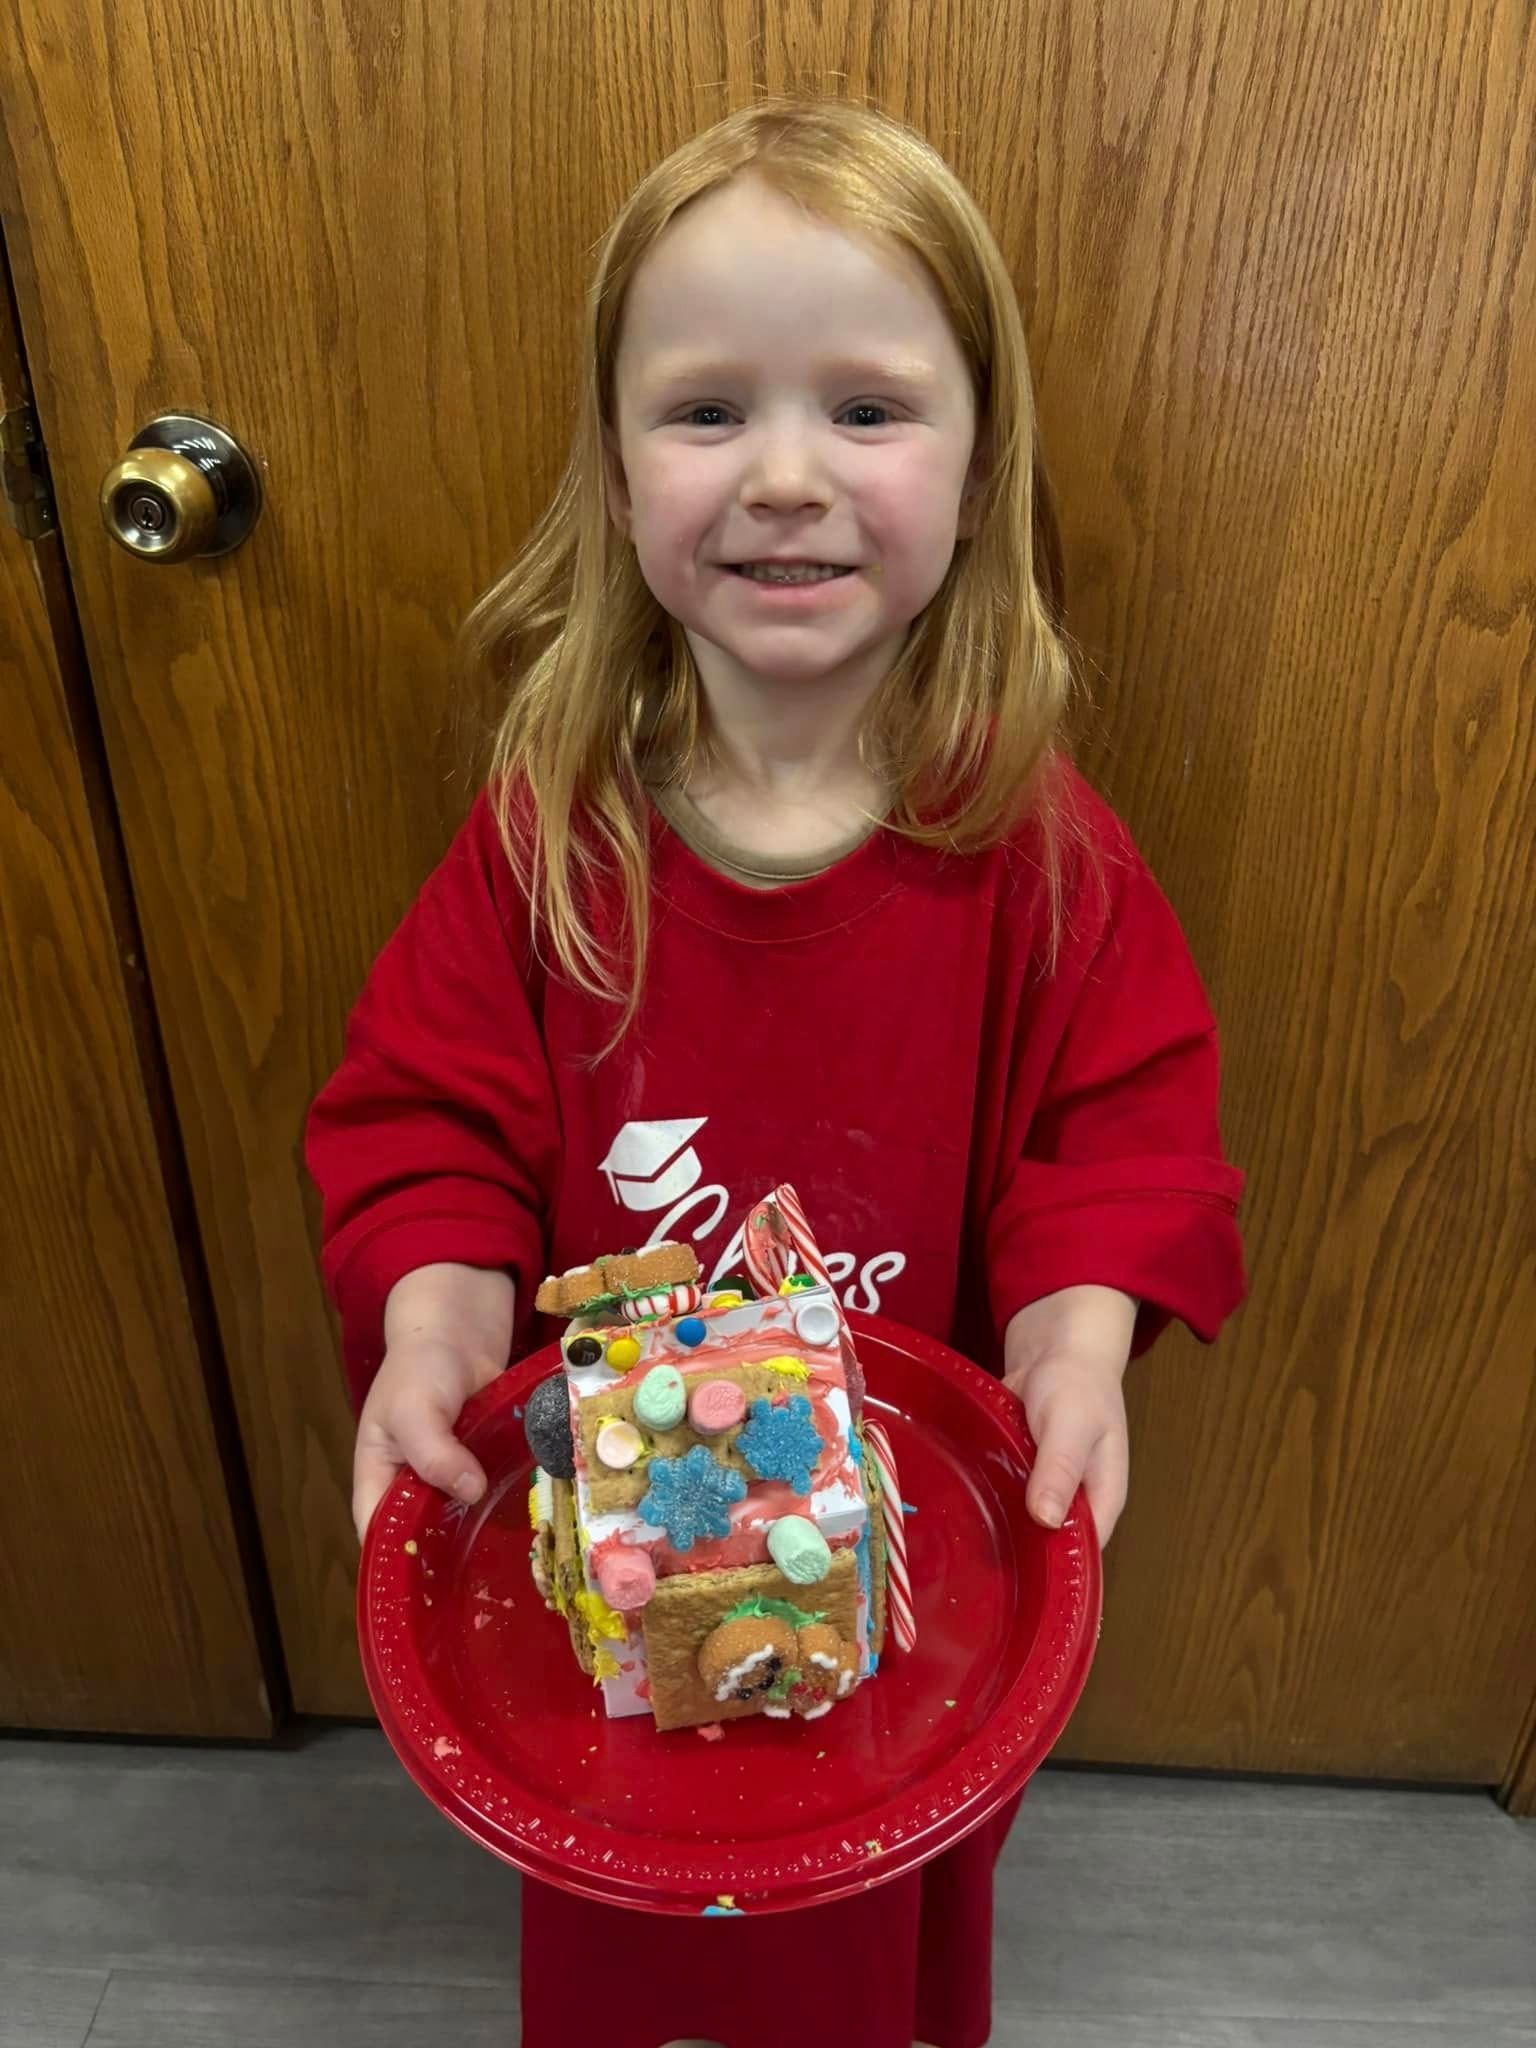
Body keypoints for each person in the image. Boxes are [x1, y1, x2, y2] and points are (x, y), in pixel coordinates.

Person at [306, 93, 1246, 2048]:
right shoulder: (548, 840)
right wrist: (431, 1326)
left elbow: (1123, 1138)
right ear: (618, 465)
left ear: (981, 470)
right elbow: (430, 1120)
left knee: (879, 1929)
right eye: (710, 410)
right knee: (627, 1917)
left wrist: (1072, 1352)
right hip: (622, 1559)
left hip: (889, 1567)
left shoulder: (1044, 860)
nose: (789, 477)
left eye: (871, 410)